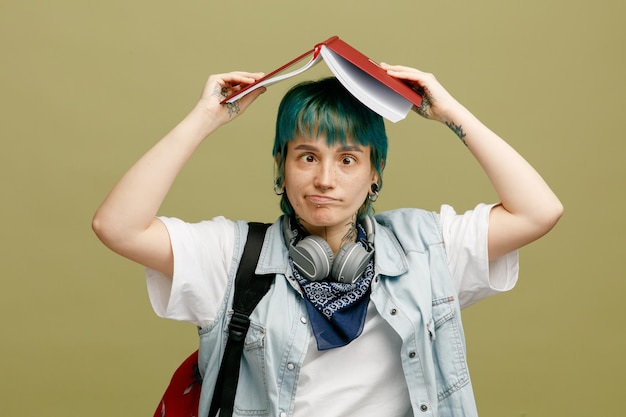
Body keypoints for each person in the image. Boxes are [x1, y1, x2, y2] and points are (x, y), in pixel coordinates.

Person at [92, 63, 563, 417]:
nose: (324, 180)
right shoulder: (233, 257)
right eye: (306, 156)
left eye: (347, 159)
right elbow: (117, 226)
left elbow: (539, 211)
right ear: (281, 166)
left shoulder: (426, 249)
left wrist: (449, 112)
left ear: (374, 173)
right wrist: (205, 118)